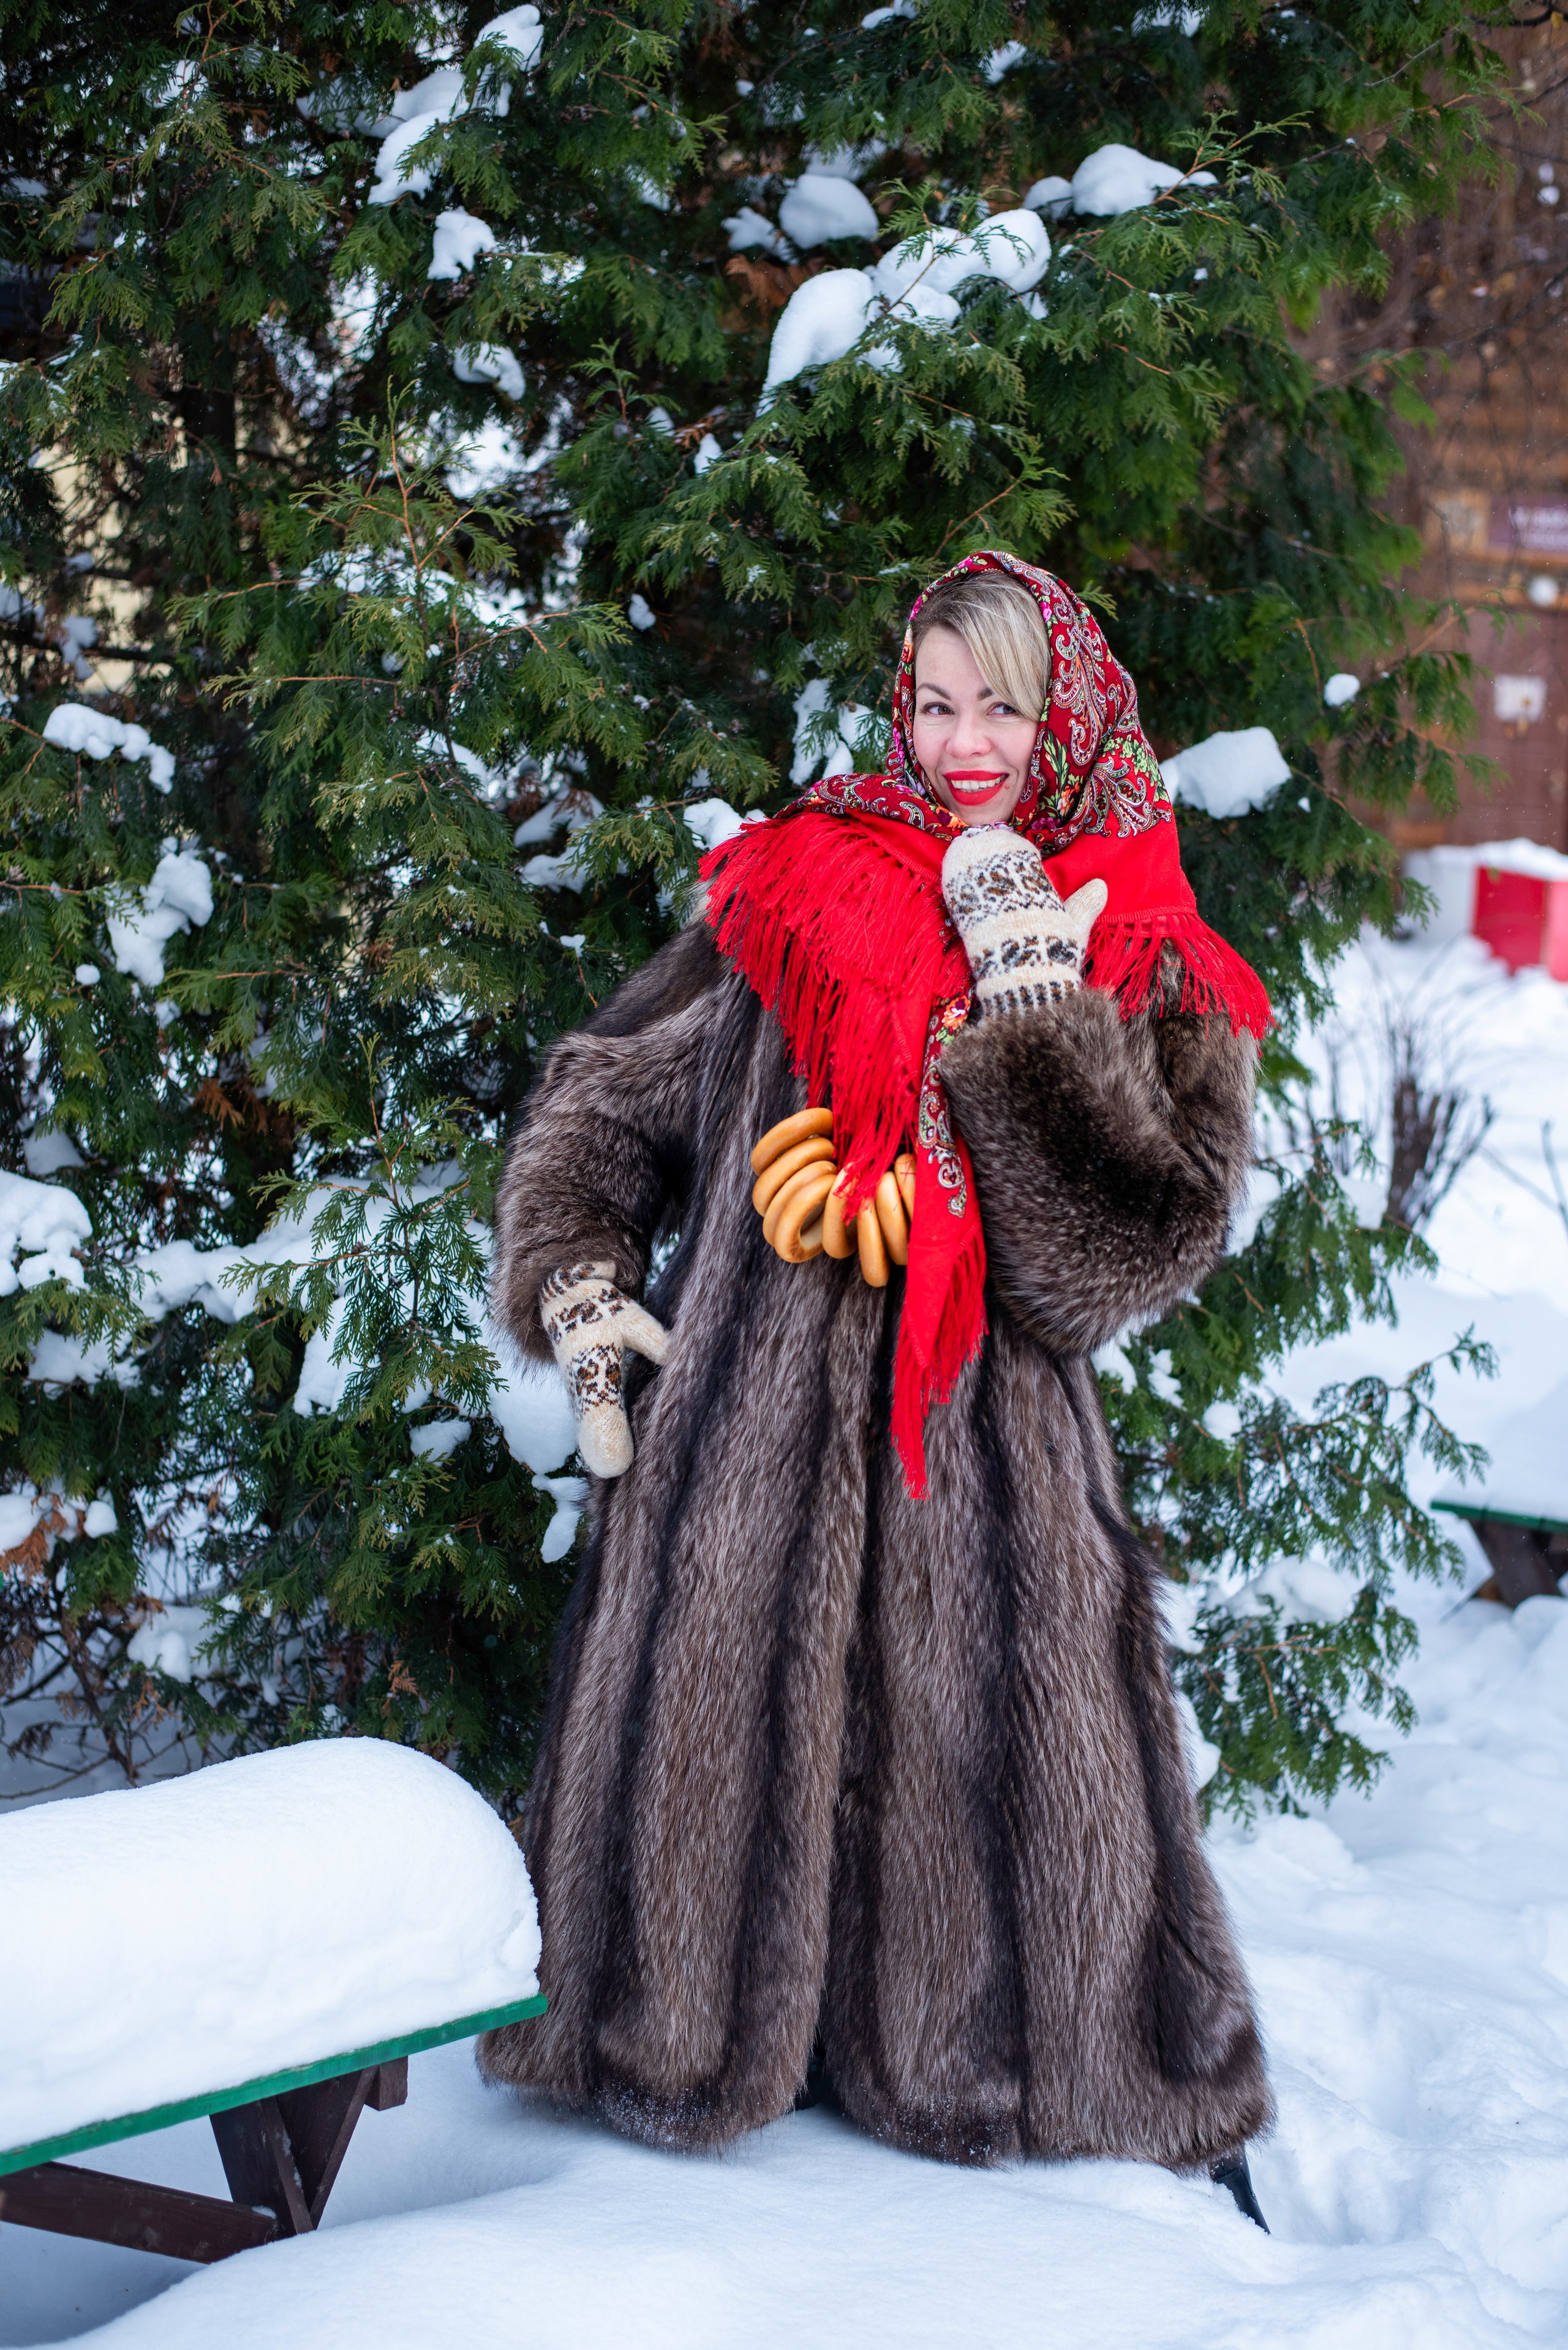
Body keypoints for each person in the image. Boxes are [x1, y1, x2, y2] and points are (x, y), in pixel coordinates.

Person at [479, 551, 1274, 2202]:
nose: (964, 741)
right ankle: (687, 2040)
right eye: (933, 701)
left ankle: (972, 2061)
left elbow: (1115, 1259)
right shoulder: (799, 886)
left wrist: (1029, 995)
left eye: (1002, 703)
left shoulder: (1151, 950)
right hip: (737, 1460)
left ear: (1067, 714)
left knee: (980, 1798)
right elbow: (601, 1105)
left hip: (985, 1482)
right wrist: (577, 1280)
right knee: (720, 1772)